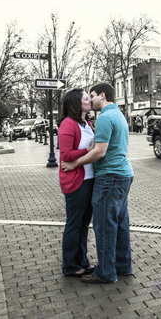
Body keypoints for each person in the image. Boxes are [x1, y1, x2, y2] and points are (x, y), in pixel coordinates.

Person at [61, 83, 134, 284]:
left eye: (92, 95)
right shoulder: (118, 114)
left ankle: (106, 272)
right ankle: (122, 266)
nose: (90, 99)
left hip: (109, 177)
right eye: (87, 97)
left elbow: (99, 151)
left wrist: (75, 162)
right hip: (121, 175)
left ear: (102, 95)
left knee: (104, 226)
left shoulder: (104, 118)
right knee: (119, 224)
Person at [58, 88, 96, 277]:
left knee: (83, 224)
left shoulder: (87, 123)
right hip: (76, 182)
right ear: (75, 102)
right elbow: (65, 156)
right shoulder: (68, 124)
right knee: (74, 224)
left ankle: (82, 261)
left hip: (90, 180)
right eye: (85, 98)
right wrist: (88, 150)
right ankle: (70, 266)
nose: (89, 100)